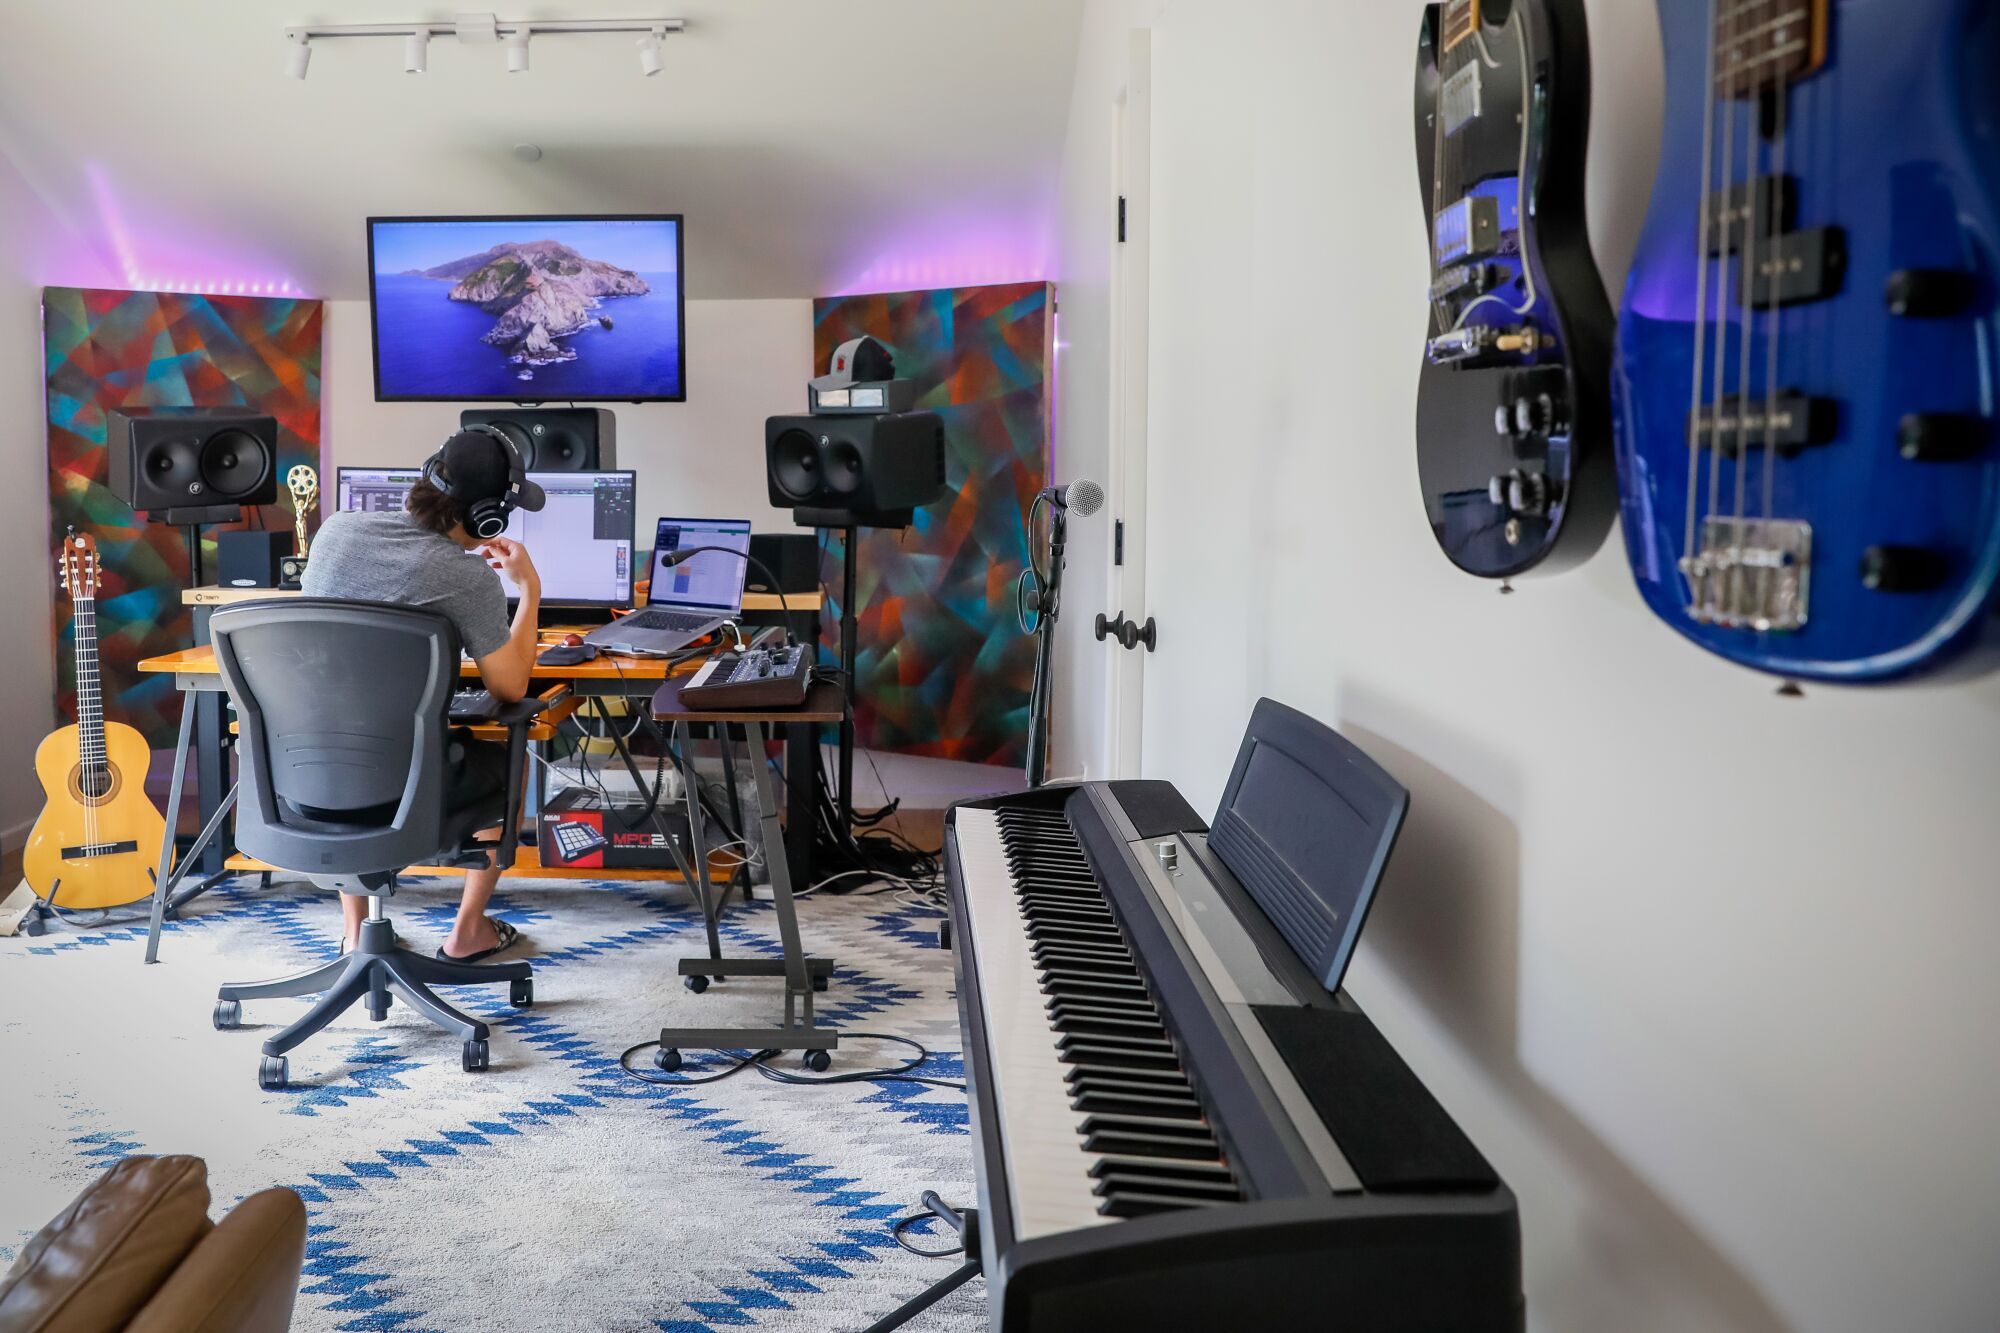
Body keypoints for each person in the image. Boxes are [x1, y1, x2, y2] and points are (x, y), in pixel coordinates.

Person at [301, 429, 545, 961]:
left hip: (309, 776)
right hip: (406, 790)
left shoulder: (335, 531)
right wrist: (529, 589)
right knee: (509, 752)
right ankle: (466, 934)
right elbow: (511, 686)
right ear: (489, 518)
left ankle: (353, 933)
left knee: (350, 735)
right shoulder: (468, 576)